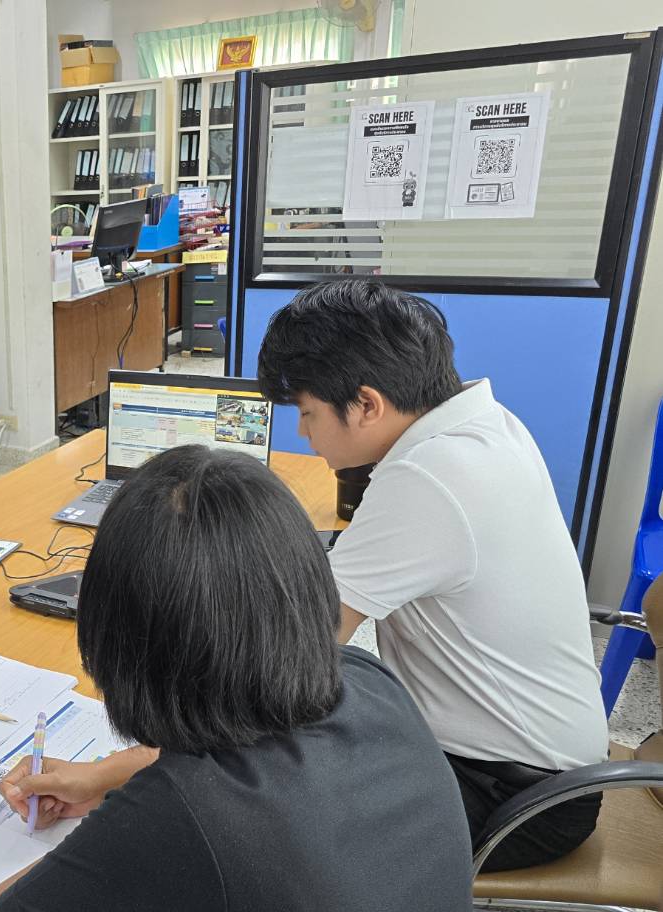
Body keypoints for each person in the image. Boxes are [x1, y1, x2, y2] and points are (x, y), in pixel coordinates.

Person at [0, 446, 501, 912]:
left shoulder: (179, 821)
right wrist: (106, 777)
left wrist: (100, 852)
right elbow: (255, 760)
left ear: (119, 639)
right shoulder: (361, 681)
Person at [258, 279, 607, 870]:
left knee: (249, 802)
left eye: (308, 413)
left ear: (367, 404)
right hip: (541, 757)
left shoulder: (429, 476)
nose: (303, 433)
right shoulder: (482, 424)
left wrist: (118, 770)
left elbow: (289, 662)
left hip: (515, 797)